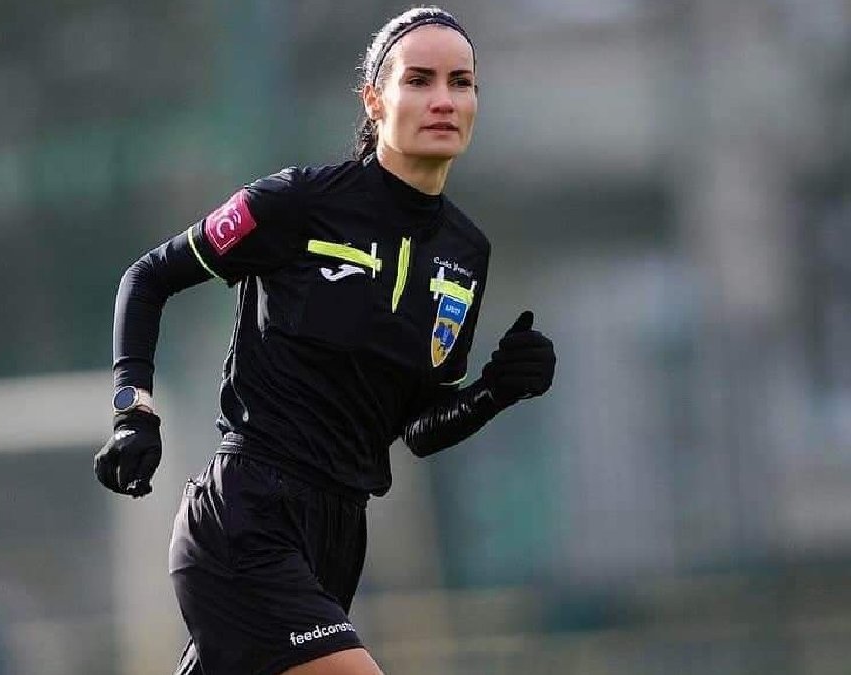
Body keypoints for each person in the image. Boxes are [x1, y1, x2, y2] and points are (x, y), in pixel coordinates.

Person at [93, 7, 556, 674]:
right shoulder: (299, 202)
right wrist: (133, 409)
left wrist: (495, 390)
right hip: (247, 518)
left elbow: (416, 429)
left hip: (338, 538)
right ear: (374, 99)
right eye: (419, 80)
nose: (443, 99)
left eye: (461, 82)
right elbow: (148, 278)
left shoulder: (466, 252)